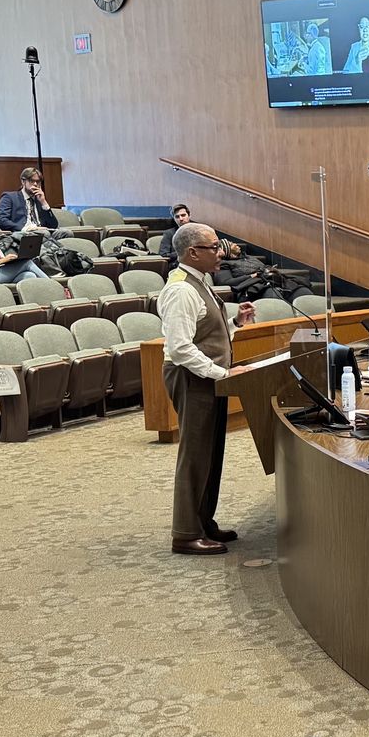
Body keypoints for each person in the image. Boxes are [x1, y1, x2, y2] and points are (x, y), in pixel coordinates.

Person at [159, 222, 257, 555]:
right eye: (213, 247)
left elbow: (203, 332)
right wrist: (221, 373)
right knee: (195, 454)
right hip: (191, 378)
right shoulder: (180, 290)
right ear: (192, 253)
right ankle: (185, 533)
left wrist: (234, 323)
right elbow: (180, 348)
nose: (221, 252)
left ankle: (203, 520)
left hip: (207, 377)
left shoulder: (201, 281)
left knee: (211, 452)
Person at [212, 239, 314, 301]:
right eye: (231, 244)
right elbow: (224, 282)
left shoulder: (249, 257)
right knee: (274, 297)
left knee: (303, 292)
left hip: (275, 280)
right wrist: (252, 276)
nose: (236, 244)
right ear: (226, 249)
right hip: (255, 287)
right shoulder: (224, 264)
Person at [0, 167, 72, 238]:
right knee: (44, 233)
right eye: (31, 181)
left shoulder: (39, 199)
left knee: (67, 233)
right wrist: (27, 228)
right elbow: (2, 221)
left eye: (38, 181)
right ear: (23, 181)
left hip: (44, 232)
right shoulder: (9, 197)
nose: (35, 184)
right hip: (23, 232)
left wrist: (44, 202)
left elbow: (54, 225)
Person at [160, 203, 192, 271]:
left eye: (183, 215)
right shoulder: (169, 233)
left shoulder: (197, 231)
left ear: (189, 216)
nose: (181, 219)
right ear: (174, 219)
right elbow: (164, 255)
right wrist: (184, 253)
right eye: (177, 217)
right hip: (177, 266)